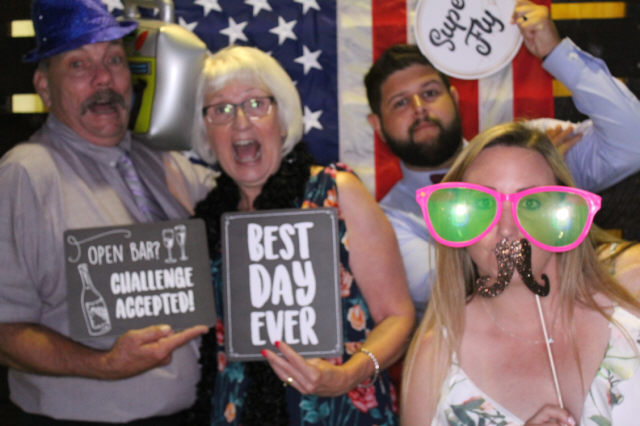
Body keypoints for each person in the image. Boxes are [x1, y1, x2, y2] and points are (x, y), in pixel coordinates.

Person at [0, 0, 215, 423]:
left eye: (114, 60)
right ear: (44, 87)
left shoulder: (160, 161)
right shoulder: (25, 175)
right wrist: (103, 365)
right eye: (78, 65)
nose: (103, 79)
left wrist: (323, 183)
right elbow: (4, 332)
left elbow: (246, 206)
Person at [365, 0, 640, 319]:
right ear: (377, 126)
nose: (419, 108)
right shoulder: (387, 223)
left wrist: (555, 53)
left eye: (429, 93)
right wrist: (542, 191)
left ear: (454, 98)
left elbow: (632, 139)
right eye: (400, 103)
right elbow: (454, 285)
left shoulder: (534, 147)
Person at [188, 45, 415, 425]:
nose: (240, 122)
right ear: (206, 132)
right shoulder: (208, 220)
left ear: (282, 120)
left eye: (256, 104)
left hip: (339, 410)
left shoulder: (336, 193)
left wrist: (349, 374)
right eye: (221, 110)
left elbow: (399, 317)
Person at [401, 122, 640, 425]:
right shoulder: (435, 359)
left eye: (532, 203)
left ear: (563, 214)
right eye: (483, 205)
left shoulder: (630, 310)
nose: (507, 229)